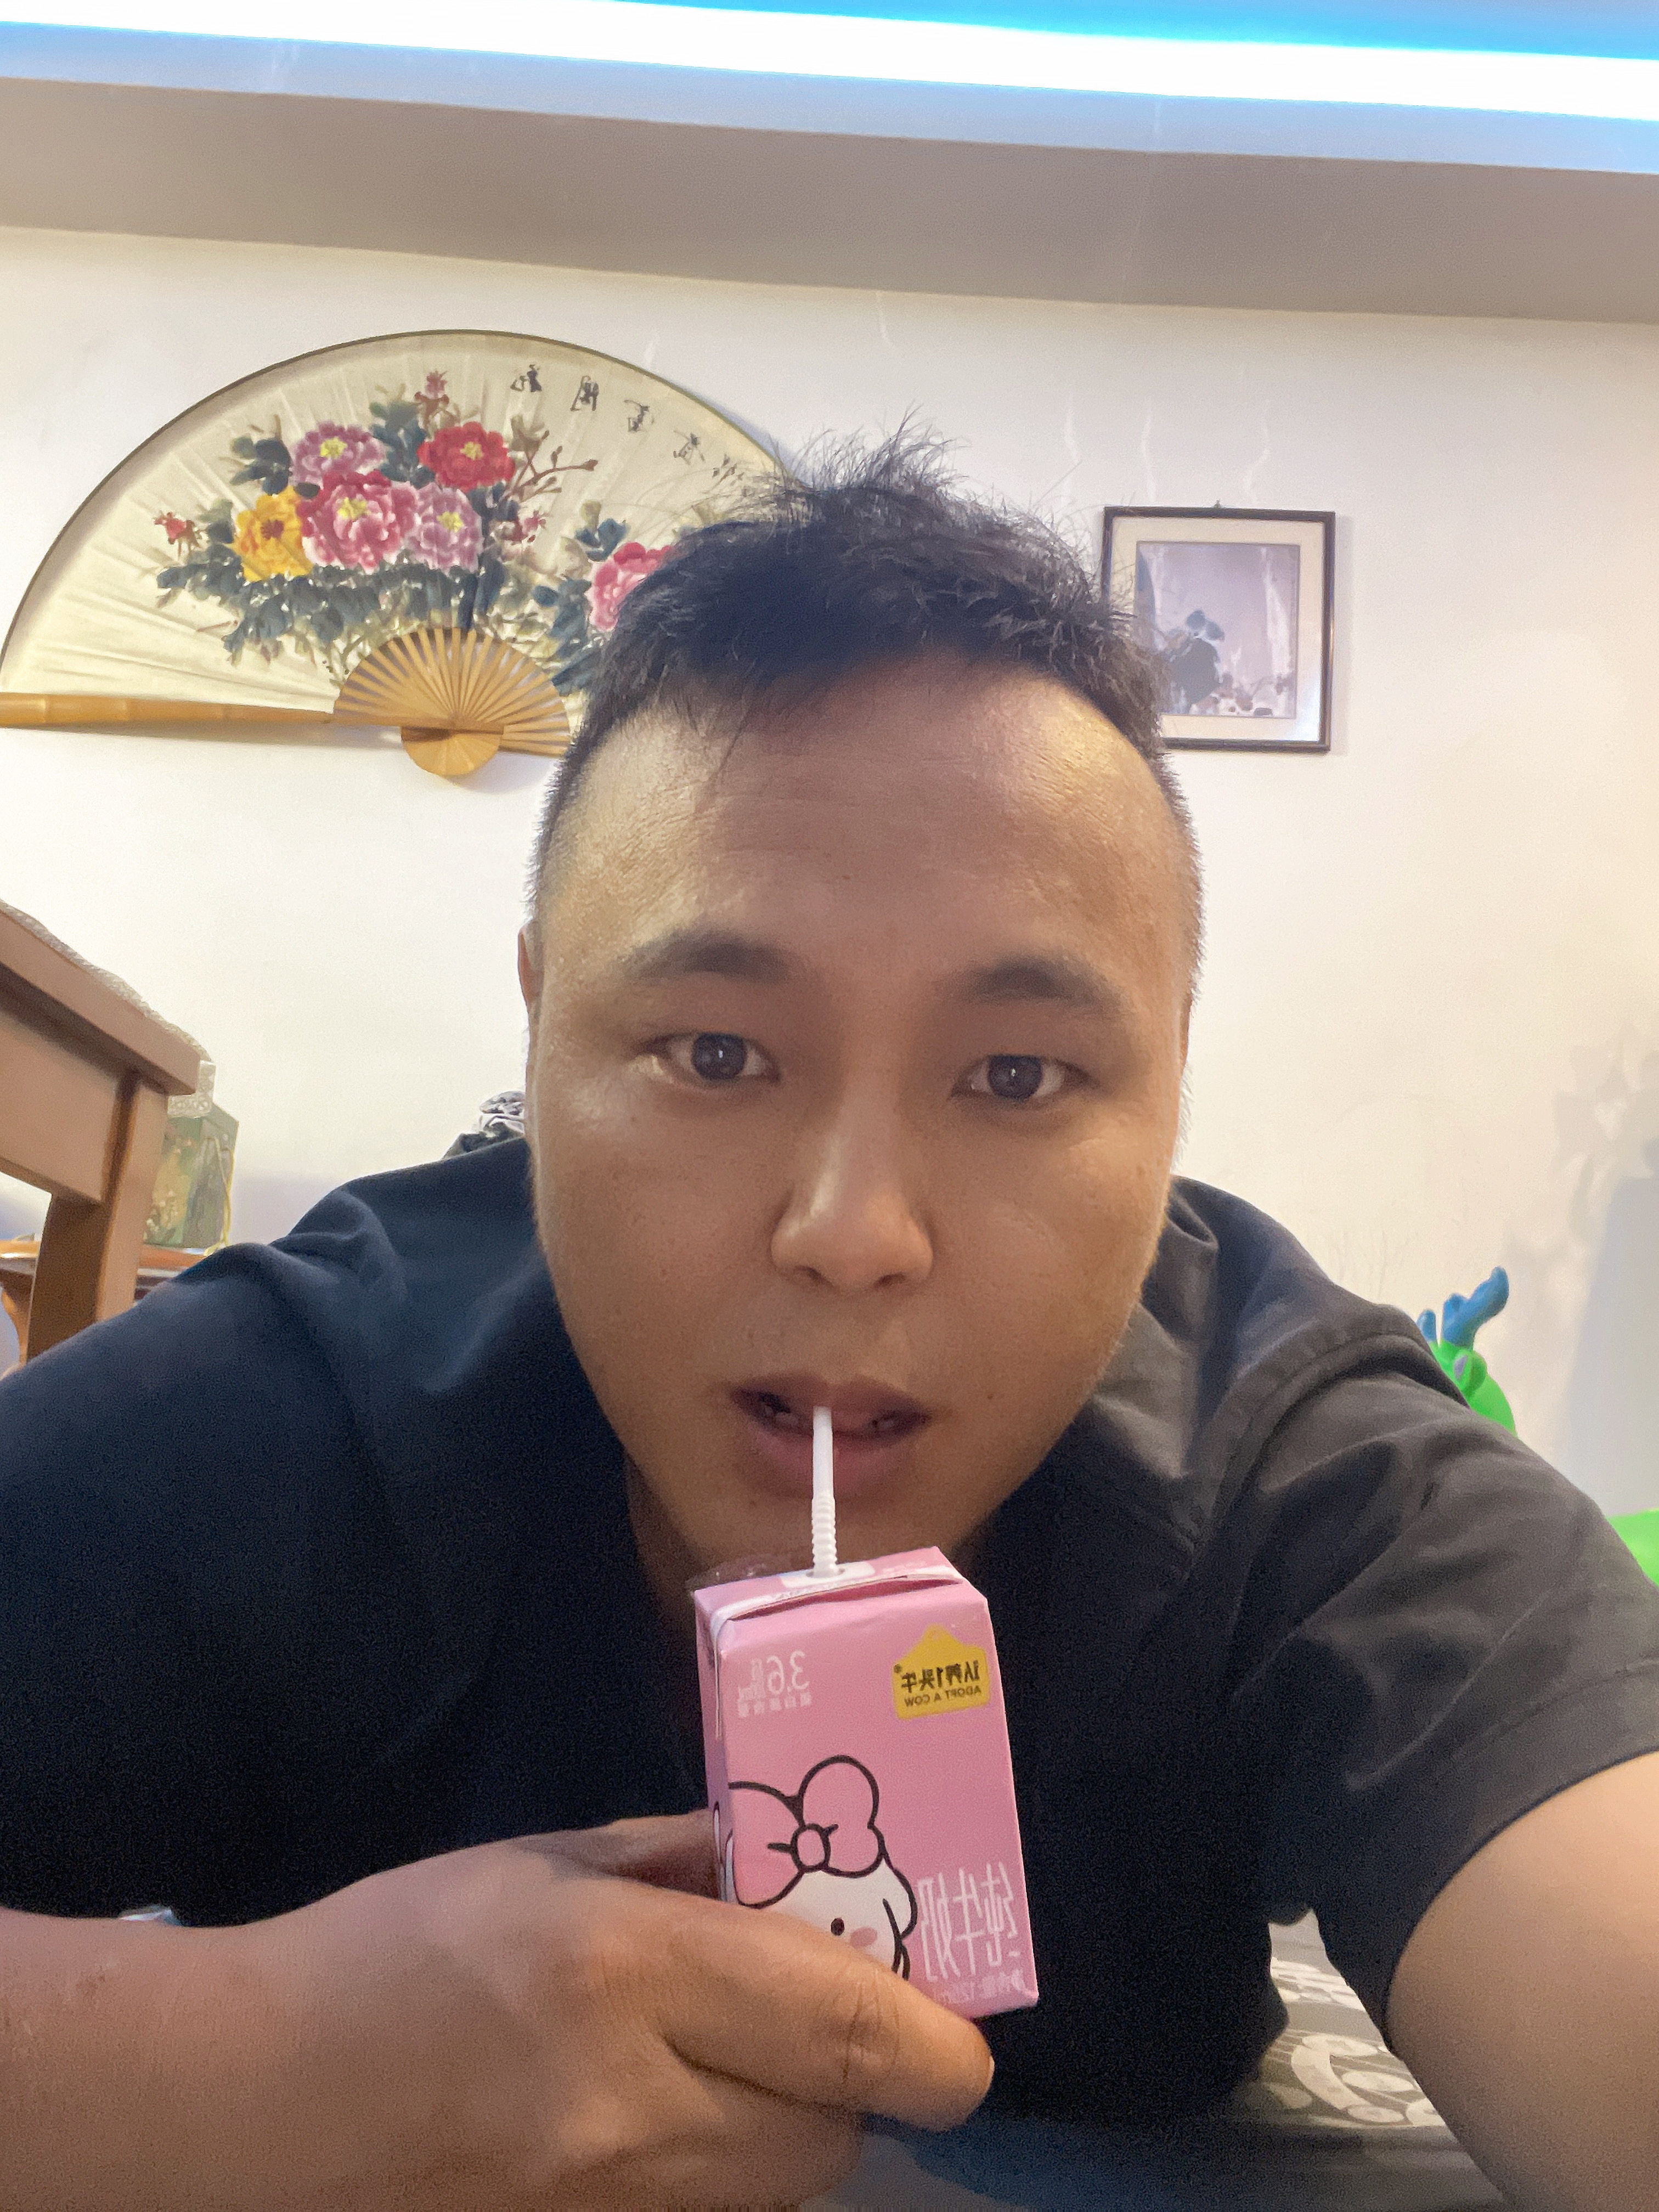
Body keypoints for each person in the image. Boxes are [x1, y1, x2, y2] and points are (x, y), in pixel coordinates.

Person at [2, 443, 1657, 2212]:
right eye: (716, 1054)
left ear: (1172, 1084)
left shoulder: (1306, 1485)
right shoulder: (295, 1414)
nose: (855, 1235)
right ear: (543, 1033)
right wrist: (254, 2063)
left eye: (1016, 1076)